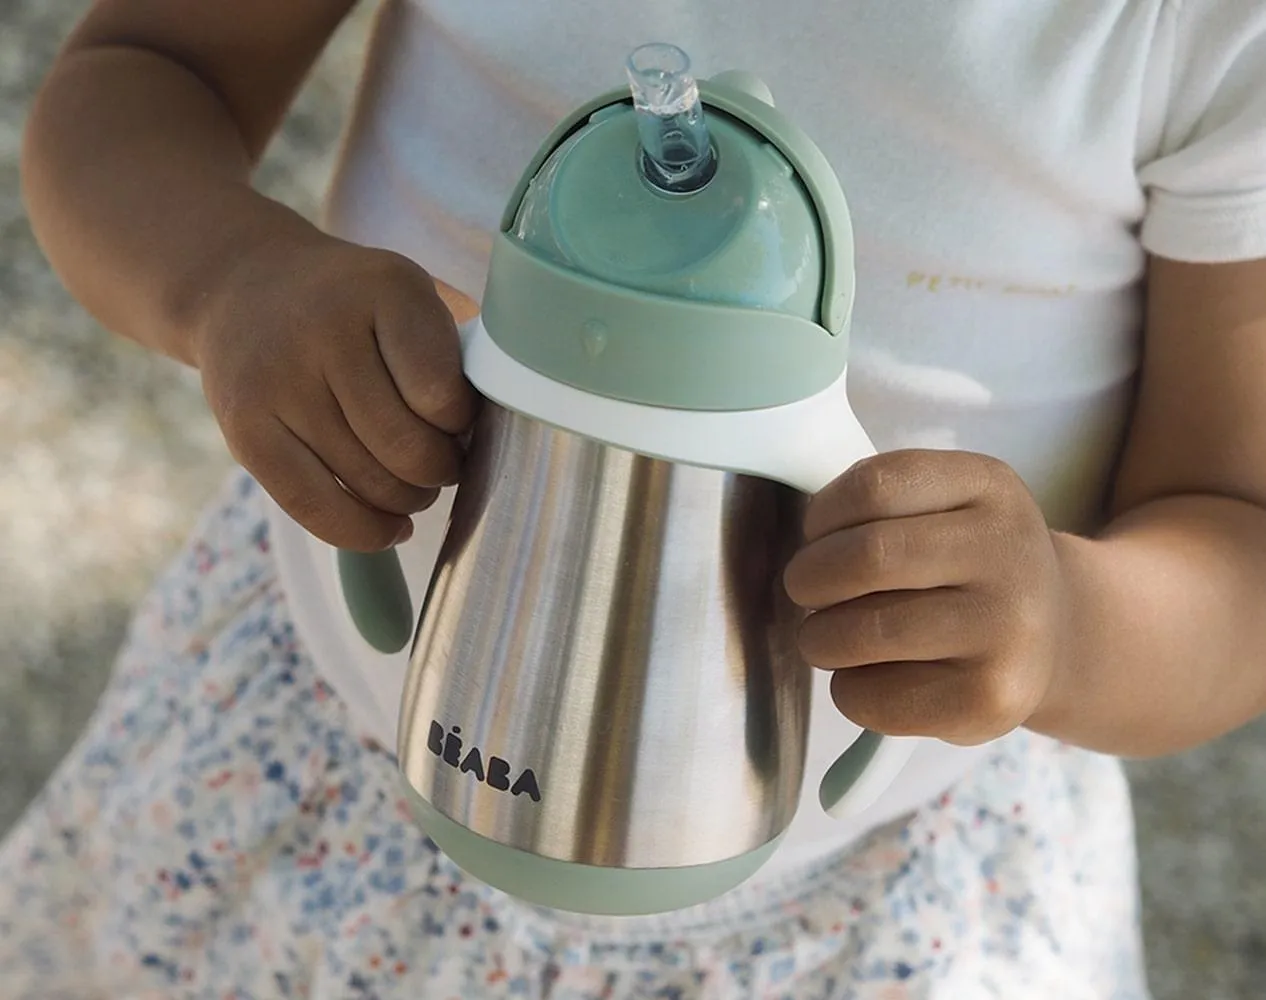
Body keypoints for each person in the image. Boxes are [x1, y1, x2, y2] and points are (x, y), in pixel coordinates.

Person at [4, 0, 1265, 995]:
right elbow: (145, 67)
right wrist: (230, 280)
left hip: (858, 914)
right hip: (310, 765)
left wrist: (1069, 624)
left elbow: (1233, 530)